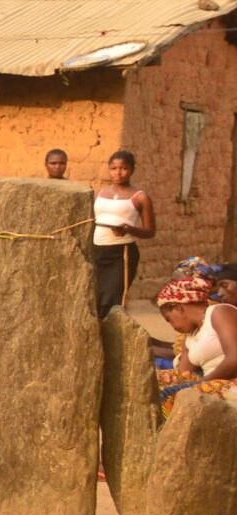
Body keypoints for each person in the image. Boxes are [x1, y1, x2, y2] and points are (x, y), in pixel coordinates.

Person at [155, 277, 237, 412]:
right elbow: (183, 374)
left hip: (232, 383)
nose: (173, 327)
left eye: (169, 320)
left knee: (168, 397)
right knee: (154, 383)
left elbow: (234, 358)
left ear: (177, 308)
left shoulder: (218, 313)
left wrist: (202, 381)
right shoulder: (190, 337)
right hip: (212, 383)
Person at [93, 149, 156, 317]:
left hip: (121, 254)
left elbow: (150, 232)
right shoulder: (100, 193)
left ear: (132, 170)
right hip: (97, 251)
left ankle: (113, 332)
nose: (118, 173)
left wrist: (128, 229)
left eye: (124, 168)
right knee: (95, 298)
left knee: (114, 299)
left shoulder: (140, 197)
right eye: (114, 168)